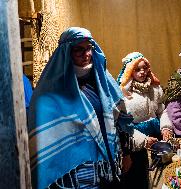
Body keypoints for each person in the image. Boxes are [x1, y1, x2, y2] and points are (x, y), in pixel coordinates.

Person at [28, 27, 134, 189]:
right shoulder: (50, 92)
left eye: (89, 48)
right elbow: (44, 139)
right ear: (67, 52)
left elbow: (119, 119)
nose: (87, 54)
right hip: (73, 173)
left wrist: (126, 153)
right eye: (79, 50)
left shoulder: (103, 81)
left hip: (107, 163)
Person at [117, 52, 173, 189]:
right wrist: (143, 140)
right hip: (135, 142)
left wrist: (165, 127)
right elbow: (122, 125)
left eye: (145, 68)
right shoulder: (123, 93)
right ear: (130, 71)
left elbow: (162, 111)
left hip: (157, 136)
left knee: (163, 172)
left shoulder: (155, 88)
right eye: (137, 69)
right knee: (140, 177)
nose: (142, 72)